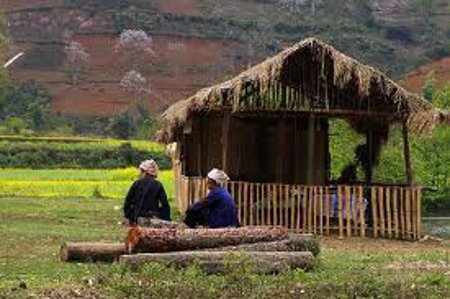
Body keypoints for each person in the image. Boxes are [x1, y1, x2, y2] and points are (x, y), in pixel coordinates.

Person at [123, 160, 171, 225]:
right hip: (154, 217)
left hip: (138, 217)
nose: (139, 173)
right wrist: (166, 219)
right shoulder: (158, 184)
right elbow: (165, 204)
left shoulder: (137, 183)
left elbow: (128, 202)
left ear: (144, 172)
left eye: (140, 171)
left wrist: (129, 216)